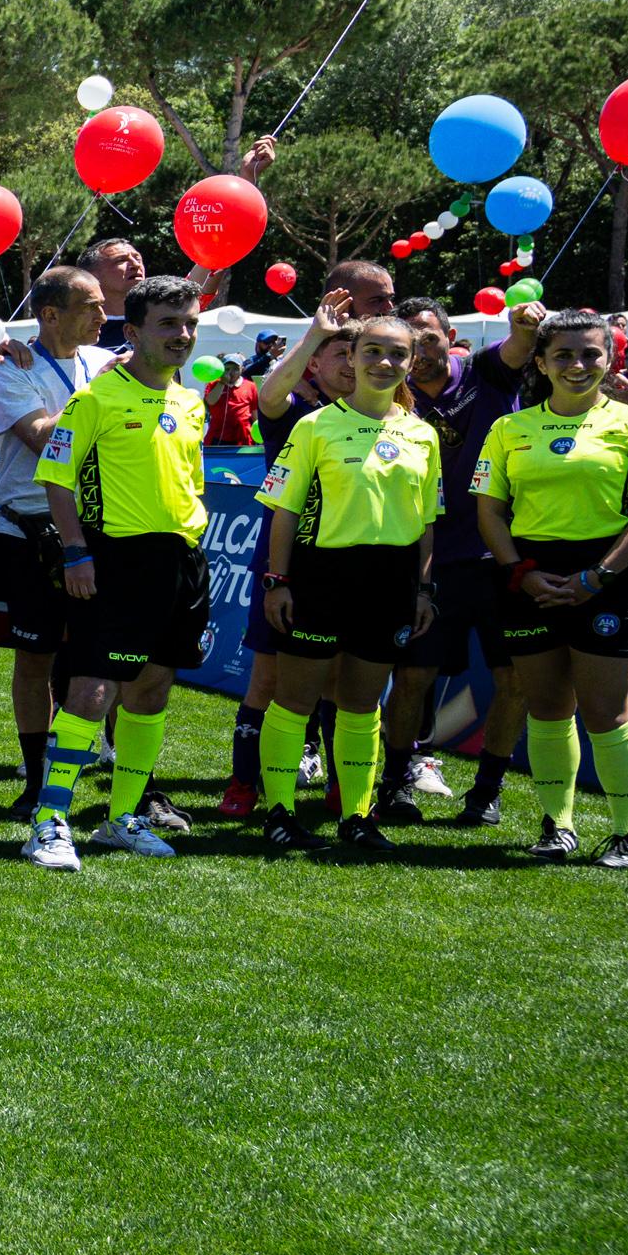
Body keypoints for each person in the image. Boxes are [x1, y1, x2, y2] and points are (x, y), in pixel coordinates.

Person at [29, 275, 216, 869]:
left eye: (189, 324)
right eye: (168, 323)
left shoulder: (190, 402)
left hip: (182, 562)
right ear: (132, 332)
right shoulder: (96, 400)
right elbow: (56, 479)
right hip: (113, 560)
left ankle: (122, 818)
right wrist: (76, 552)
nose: (182, 335)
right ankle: (50, 820)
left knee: (154, 689)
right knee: (92, 689)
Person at [476, 311, 628, 867]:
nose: (578, 365)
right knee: (546, 707)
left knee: (607, 713)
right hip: (529, 576)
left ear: (609, 360)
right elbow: (489, 510)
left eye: (591, 354)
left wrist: (597, 577)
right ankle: (556, 826)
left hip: (607, 577)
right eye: (563, 355)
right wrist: (520, 571)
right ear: (540, 362)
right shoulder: (510, 428)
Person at [252, 316, 443, 857]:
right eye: (373, 351)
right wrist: (277, 581)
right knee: (294, 700)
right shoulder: (313, 426)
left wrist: (424, 591)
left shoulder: (421, 433)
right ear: (352, 358)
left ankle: (357, 817)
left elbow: (427, 520)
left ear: (412, 362)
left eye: (397, 354)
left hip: (390, 583)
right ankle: (281, 812)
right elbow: (285, 512)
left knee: (361, 705)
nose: (385, 363)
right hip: (319, 579)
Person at [394, 294, 540, 828]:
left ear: (449, 337)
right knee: (412, 679)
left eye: (428, 336)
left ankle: (487, 792)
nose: (418, 348)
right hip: (431, 561)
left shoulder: (485, 372)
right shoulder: (392, 395)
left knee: (514, 682)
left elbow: (520, 346)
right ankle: (395, 783)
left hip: (505, 556)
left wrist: (524, 325)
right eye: (409, 339)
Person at [0, 266, 106, 819]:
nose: (104, 317)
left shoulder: (103, 364)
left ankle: (82, 770)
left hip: (98, 530)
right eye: (91, 306)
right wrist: (104, 401)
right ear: (50, 315)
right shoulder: (11, 367)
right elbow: (40, 438)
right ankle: (35, 780)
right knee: (35, 660)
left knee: (98, 660)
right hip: (29, 530)